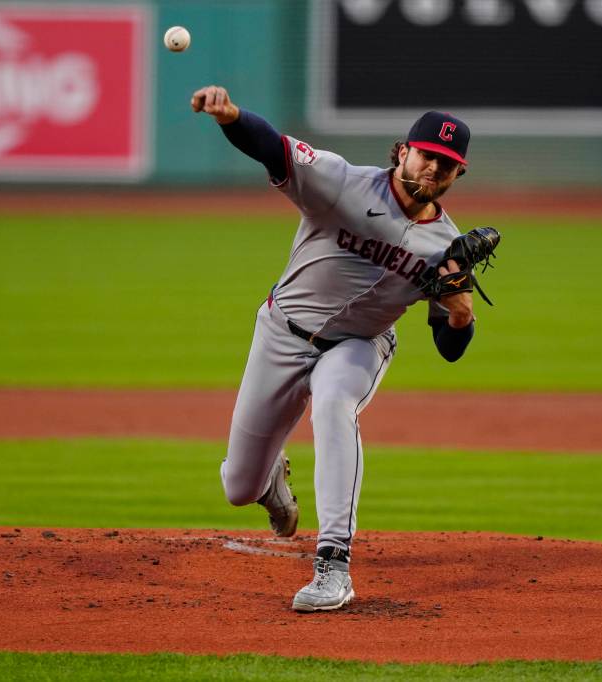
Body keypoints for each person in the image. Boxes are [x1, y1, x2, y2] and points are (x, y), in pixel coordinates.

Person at [191, 85, 477, 612]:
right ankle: (272, 484)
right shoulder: (341, 181)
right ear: (402, 151)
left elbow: (451, 345)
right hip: (281, 333)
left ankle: (333, 566)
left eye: (447, 164)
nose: (434, 169)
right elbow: (273, 148)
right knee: (237, 485)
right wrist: (231, 117)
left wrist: (460, 312)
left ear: (459, 174)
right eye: (427, 156)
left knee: (333, 403)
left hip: (359, 345)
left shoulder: (447, 249)